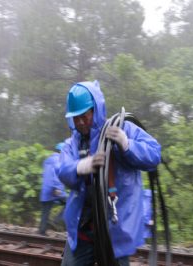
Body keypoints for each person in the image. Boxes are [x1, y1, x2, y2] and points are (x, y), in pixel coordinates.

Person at [58, 80, 161, 265]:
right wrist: (81, 167)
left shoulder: (122, 129)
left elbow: (154, 154)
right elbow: (63, 169)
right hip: (83, 228)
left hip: (115, 229)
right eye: (76, 118)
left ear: (95, 109)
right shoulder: (72, 143)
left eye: (84, 116)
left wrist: (127, 144)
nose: (81, 122)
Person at [38, 142, 67, 236]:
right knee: (69, 203)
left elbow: (44, 174)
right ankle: (56, 220)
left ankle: (42, 231)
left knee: (45, 210)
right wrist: (57, 187)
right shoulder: (59, 160)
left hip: (45, 189)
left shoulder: (47, 160)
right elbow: (56, 175)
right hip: (54, 190)